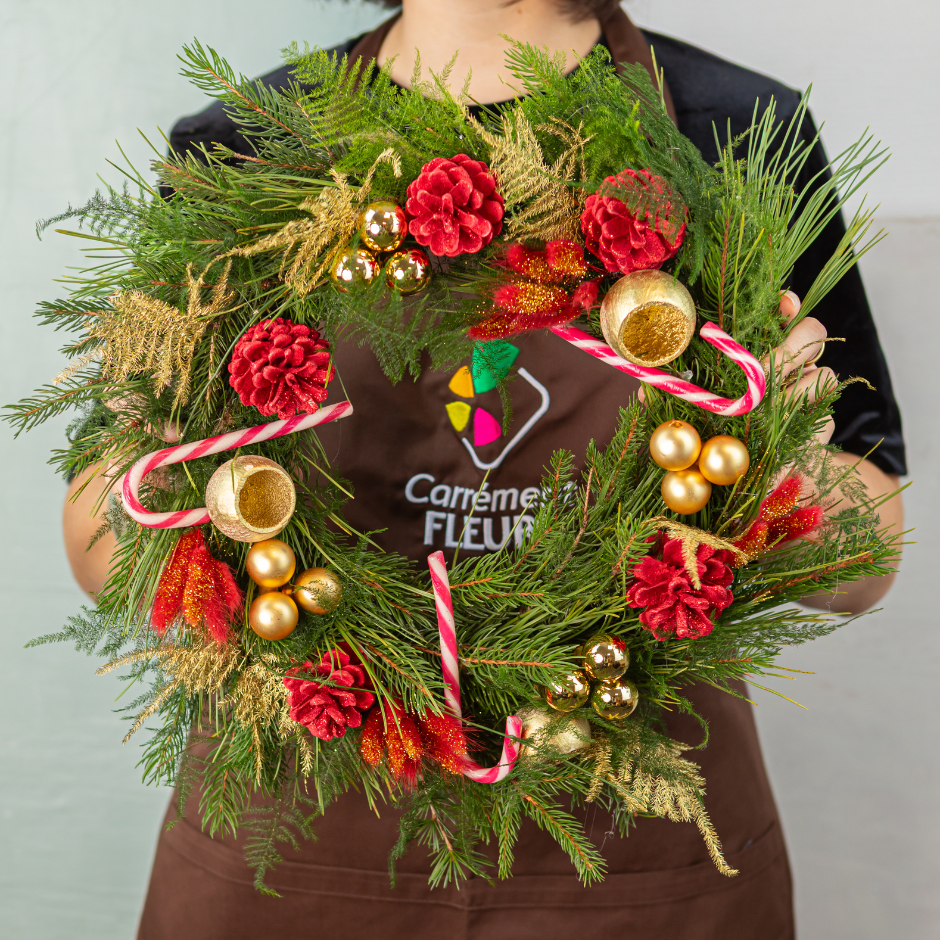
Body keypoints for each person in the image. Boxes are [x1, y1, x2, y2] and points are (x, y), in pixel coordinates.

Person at [62, 1, 905, 937]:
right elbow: (103, 550)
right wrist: (158, 477)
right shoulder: (244, 145)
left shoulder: (735, 130)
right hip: (294, 856)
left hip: (639, 859)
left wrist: (783, 469)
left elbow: (869, 561)